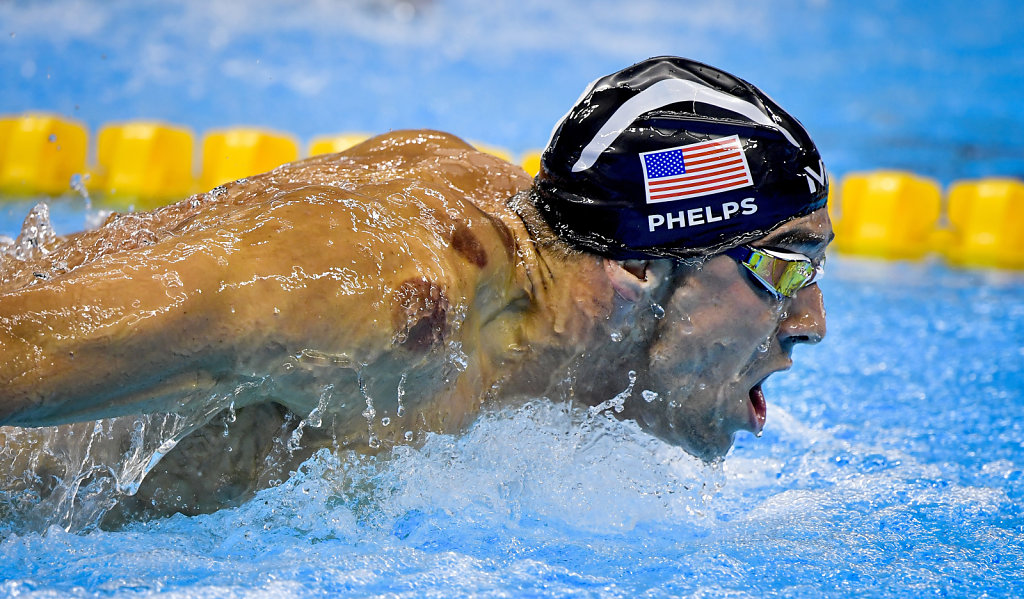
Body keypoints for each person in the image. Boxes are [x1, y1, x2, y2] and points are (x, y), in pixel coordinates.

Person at [0, 56, 832, 523]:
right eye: (785, 268)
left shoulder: (517, 250)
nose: (812, 323)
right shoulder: (391, 304)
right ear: (643, 266)